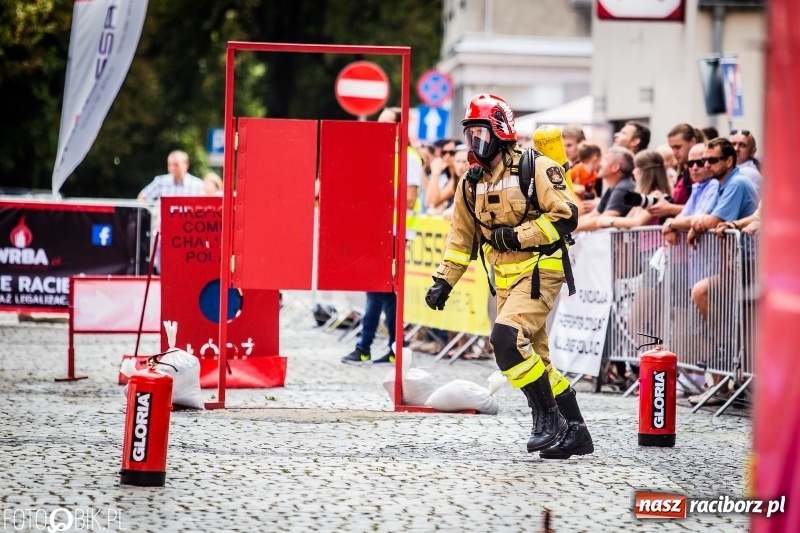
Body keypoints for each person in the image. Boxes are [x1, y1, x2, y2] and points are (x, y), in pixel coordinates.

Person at [425, 93, 593, 459]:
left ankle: (547, 418)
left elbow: (566, 216)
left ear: (501, 131)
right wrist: (443, 280)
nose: (474, 143)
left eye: (481, 133)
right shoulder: (470, 184)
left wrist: (519, 236)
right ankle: (577, 431)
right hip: (503, 278)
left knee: (506, 340)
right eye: (470, 134)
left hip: (540, 271)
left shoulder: (535, 167)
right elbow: (460, 238)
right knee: (536, 360)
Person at [341, 107, 422, 366]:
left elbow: (409, 200)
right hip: (381, 230)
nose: (379, 128)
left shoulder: (409, 158)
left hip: (397, 232)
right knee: (382, 291)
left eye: (385, 124)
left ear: (399, 128)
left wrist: (377, 197)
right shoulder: (386, 154)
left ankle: (369, 346)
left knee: (380, 290)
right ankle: (392, 347)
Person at [575, 146, 636, 232]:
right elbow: (594, 215)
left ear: (615, 167)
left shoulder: (623, 189)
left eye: (605, 160)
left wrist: (568, 229)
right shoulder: (612, 188)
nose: (600, 163)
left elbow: (602, 220)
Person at [138, 150, 204, 201]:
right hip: (164, 219)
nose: (172, 168)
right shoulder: (160, 182)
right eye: (169, 164)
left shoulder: (198, 185)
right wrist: (153, 212)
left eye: (176, 165)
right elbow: (142, 197)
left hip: (187, 219)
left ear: (186, 165)